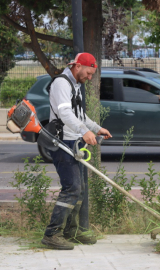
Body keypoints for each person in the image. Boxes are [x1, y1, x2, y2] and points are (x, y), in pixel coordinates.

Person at [41, 52, 112, 250]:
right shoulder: (62, 84)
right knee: (71, 188)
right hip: (62, 143)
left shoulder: (76, 85)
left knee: (78, 190)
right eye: (88, 73)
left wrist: (96, 128)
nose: (89, 78)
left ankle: (70, 232)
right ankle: (51, 234)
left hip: (73, 143)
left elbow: (79, 115)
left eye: (91, 75)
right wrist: (84, 131)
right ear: (77, 66)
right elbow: (64, 113)